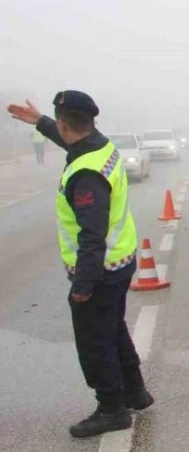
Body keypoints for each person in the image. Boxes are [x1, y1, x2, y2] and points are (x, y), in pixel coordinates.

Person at [6, 91, 154, 438]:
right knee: (114, 330)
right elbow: (71, 141)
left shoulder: (86, 174)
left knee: (95, 341)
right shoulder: (102, 147)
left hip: (99, 271)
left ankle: (112, 409)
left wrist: (83, 288)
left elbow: (92, 235)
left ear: (64, 122)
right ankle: (135, 392)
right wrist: (40, 121)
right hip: (121, 261)